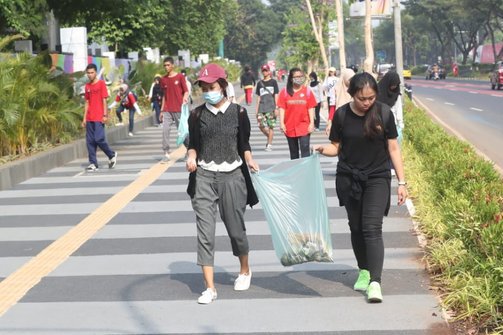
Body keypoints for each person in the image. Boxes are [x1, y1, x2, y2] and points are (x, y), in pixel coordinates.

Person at [314, 72, 408, 303]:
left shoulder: (383, 113)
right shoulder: (342, 115)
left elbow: (393, 149)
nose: (367, 102)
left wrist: (402, 183)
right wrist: (321, 149)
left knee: (371, 227)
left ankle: (375, 282)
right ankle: (364, 271)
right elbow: (336, 147)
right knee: (355, 227)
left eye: (371, 97)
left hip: (377, 177)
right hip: (349, 178)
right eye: (362, 98)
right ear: (352, 94)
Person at [185, 63, 259, 304]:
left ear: (223, 86)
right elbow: (193, 144)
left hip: (232, 176)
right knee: (205, 233)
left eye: (212, 86)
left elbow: (244, 144)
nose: (208, 91)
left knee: (235, 229)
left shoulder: (238, 112)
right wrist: (191, 156)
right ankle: (209, 288)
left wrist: (249, 159)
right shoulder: (196, 115)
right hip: (204, 177)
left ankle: (245, 269)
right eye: (204, 87)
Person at [82, 63, 117, 172]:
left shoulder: (101, 84)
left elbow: (104, 100)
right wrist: (84, 118)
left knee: (99, 139)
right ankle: (93, 163)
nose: (90, 75)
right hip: (89, 118)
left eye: (92, 72)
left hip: (99, 117)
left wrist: (105, 115)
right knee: (90, 141)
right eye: (88, 73)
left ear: (95, 72)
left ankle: (111, 154)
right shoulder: (87, 86)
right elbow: (87, 102)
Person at [277, 68, 317, 160]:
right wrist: (282, 123)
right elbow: (282, 108)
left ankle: (305, 172)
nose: (299, 78)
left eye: (301, 76)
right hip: (289, 126)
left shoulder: (307, 91)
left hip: (304, 126)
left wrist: (312, 123)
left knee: (305, 149)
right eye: (296, 77)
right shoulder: (285, 92)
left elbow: (311, 107)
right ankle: (296, 172)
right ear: (291, 78)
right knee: (294, 153)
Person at [160, 57, 189, 161]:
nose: (166, 67)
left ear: (172, 65)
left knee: (182, 132)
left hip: (178, 109)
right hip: (167, 109)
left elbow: (186, 91)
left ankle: (189, 149)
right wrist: (162, 110)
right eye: (165, 65)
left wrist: (185, 98)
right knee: (165, 130)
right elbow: (164, 95)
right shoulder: (163, 79)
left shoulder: (180, 77)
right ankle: (166, 152)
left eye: (168, 65)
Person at [255, 64, 279, 151]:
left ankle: (269, 144)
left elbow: (276, 96)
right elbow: (258, 98)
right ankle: (269, 136)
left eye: (266, 70)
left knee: (271, 126)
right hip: (262, 107)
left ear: (269, 71)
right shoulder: (259, 83)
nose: (265, 72)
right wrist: (256, 110)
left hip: (271, 107)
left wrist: (276, 108)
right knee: (260, 125)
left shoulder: (273, 82)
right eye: (263, 71)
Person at [377, 71, 404, 144]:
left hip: (392, 124)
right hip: (378, 124)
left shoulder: (396, 95)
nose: (394, 86)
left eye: (396, 85)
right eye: (392, 84)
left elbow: (398, 110)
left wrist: (400, 125)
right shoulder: (377, 92)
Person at [326, 68, 355, 135]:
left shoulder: (356, 89)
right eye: (350, 79)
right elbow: (332, 107)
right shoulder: (336, 89)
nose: (352, 82)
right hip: (340, 119)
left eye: (353, 79)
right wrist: (330, 122)